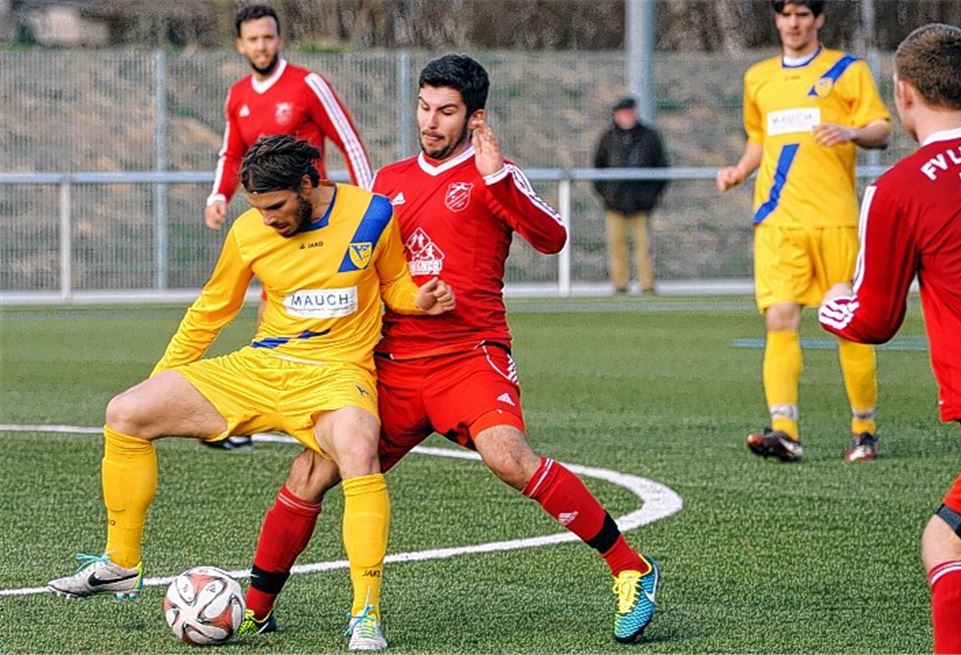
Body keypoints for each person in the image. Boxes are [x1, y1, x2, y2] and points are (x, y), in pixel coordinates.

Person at [234, 54, 661, 646]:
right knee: (311, 471)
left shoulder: (496, 174)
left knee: (510, 457)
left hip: (468, 357)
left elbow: (553, 237)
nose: (430, 122)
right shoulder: (389, 181)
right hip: (390, 364)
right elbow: (355, 263)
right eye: (424, 107)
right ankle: (255, 607)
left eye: (447, 111)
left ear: (475, 117)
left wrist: (496, 177)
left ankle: (631, 568)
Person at [46, 135, 455, 652]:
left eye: (277, 206)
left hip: (333, 373)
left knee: (358, 448)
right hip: (260, 368)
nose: (268, 219)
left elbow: (394, 283)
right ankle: (122, 562)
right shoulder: (248, 232)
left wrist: (419, 299)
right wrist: (162, 377)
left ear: (308, 184)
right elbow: (211, 310)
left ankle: (365, 615)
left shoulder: (372, 213)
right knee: (126, 412)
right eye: (259, 209)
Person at [818, 24, 961, 654]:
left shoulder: (899, 188)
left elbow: (873, 320)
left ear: (902, 94)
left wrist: (832, 308)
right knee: (947, 539)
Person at [715, 0, 891, 463]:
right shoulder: (759, 78)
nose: (793, 23)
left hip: (834, 218)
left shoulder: (847, 70)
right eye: (786, 14)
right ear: (776, 20)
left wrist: (851, 133)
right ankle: (785, 431)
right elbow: (760, 138)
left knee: (847, 325)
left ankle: (864, 431)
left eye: (802, 14)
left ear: (819, 20)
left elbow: (881, 129)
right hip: (778, 219)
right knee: (779, 320)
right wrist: (739, 170)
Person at [204, 3, 374, 451]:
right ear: (240, 44)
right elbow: (231, 154)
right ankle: (257, 413)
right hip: (270, 224)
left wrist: (373, 207)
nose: (261, 46)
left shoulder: (307, 84)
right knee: (268, 310)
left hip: (317, 221)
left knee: (325, 310)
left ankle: (341, 403)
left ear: (279, 39)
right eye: (252, 39)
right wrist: (218, 196)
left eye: (268, 37)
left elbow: (350, 143)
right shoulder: (238, 94)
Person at [593, 96, 668, 295]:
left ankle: (647, 284)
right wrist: (607, 195)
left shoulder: (649, 137)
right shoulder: (608, 138)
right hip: (615, 204)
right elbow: (597, 169)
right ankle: (620, 284)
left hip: (641, 204)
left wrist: (651, 196)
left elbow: (661, 167)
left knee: (644, 246)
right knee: (616, 244)